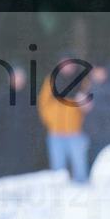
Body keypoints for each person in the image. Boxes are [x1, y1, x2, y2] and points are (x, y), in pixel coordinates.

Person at [37, 55, 92, 183]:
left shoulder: (83, 81)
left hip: (77, 132)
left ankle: (83, 196)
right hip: (56, 133)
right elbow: (43, 103)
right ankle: (59, 197)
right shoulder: (51, 80)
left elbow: (90, 106)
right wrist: (51, 122)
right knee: (58, 171)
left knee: (80, 169)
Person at [0, 67, 42, 177]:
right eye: (15, 77)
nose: (18, 81)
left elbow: (35, 123)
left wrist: (35, 145)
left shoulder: (30, 97)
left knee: (24, 178)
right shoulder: (2, 97)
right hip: (5, 145)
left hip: (25, 146)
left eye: (21, 78)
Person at [82, 60, 110, 170]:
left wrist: (93, 106)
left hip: (107, 135)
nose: (95, 75)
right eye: (93, 73)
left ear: (104, 71)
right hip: (91, 135)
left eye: (97, 72)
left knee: (106, 166)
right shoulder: (90, 85)